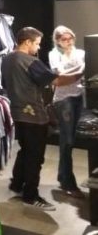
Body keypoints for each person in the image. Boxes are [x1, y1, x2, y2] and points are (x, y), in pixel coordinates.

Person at [2, 26, 83, 211]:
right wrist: (80, 74)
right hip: (34, 116)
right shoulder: (30, 61)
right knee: (35, 157)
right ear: (27, 42)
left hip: (17, 112)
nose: (38, 47)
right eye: (37, 44)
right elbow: (57, 81)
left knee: (25, 150)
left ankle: (17, 183)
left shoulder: (6, 59)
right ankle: (31, 195)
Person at [48, 25, 85, 198]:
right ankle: (68, 182)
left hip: (78, 97)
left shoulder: (81, 53)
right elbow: (58, 78)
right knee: (67, 141)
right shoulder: (54, 55)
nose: (68, 42)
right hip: (63, 100)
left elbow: (65, 76)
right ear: (57, 41)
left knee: (70, 139)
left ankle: (63, 176)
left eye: (70, 38)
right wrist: (79, 72)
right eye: (64, 39)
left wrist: (68, 75)